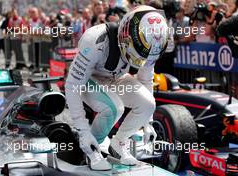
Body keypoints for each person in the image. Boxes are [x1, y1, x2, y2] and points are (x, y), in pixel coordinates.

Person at [65, 5, 168, 170]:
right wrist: (83, 131)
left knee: (148, 104)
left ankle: (119, 144)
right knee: (114, 108)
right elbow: (72, 85)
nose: (143, 61)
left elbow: (146, 79)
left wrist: (148, 121)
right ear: (125, 36)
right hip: (88, 79)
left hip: (116, 78)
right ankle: (91, 150)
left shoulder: (152, 43)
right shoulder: (95, 39)